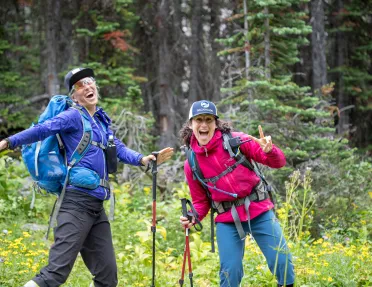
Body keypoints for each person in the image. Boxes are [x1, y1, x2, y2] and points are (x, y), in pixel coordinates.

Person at [0, 67, 174, 287]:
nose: (87, 86)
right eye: (80, 85)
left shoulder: (101, 123)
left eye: (89, 81)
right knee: (55, 274)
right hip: (75, 204)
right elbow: (43, 129)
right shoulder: (72, 116)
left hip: (96, 208)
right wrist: (8, 142)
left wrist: (143, 159)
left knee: (107, 277)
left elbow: (118, 148)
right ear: (74, 96)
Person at [179, 100, 295, 287]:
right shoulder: (191, 163)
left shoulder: (236, 141)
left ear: (215, 123)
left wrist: (270, 151)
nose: (203, 125)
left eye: (208, 119)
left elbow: (278, 162)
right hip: (227, 219)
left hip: (259, 210)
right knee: (229, 271)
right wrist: (193, 216)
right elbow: (200, 202)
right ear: (191, 124)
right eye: (198, 120)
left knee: (282, 261)